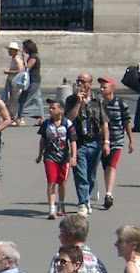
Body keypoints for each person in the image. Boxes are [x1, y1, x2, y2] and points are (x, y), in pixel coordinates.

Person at [65, 73, 110, 216]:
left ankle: (88, 197)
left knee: (91, 175)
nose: (80, 85)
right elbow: (69, 120)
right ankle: (82, 203)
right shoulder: (71, 100)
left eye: (83, 82)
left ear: (90, 83)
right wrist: (78, 102)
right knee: (80, 174)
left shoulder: (97, 100)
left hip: (95, 141)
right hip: (79, 143)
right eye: (78, 81)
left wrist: (106, 142)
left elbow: (104, 122)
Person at [36, 99, 78, 219]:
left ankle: (61, 204)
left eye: (53, 108)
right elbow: (43, 140)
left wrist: (73, 156)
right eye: (50, 108)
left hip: (64, 158)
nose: (50, 110)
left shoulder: (68, 124)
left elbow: (73, 141)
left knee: (62, 183)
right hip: (50, 156)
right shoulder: (46, 124)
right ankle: (52, 208)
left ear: (61, 110)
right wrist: (40, 154)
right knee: (51, 181)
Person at [98, 77, 134, 210]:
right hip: (102, 141)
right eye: (101, 87)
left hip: (117, 140)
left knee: (112, 166)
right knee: (106, 166)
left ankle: (108, 194)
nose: (101, 89)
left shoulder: (120, 104)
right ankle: (103, 189)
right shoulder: (99, 103)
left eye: (104, 87)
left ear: (111, 89)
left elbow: (126, 122)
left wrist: (131, 140)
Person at [14, 39, 44, 127]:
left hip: (33, 81)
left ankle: (20, 117)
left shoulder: (33, 57)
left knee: (24, 98)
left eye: (24, 48)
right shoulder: (32, 56)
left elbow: (28, 68)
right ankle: (41, 118)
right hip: (34, 80)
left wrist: (23, 58)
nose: (23, 49)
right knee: (37, 99)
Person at [2, 41, 23, 120]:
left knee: (14, 100)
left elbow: (20, 70)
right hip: (13, 82)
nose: (9, 51)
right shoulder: (14, 58)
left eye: (10, 50)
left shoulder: (16, 59)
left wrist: (9, 72)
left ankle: (14, 116)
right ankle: (13, 116)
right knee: (12, 99)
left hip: (15, 82)